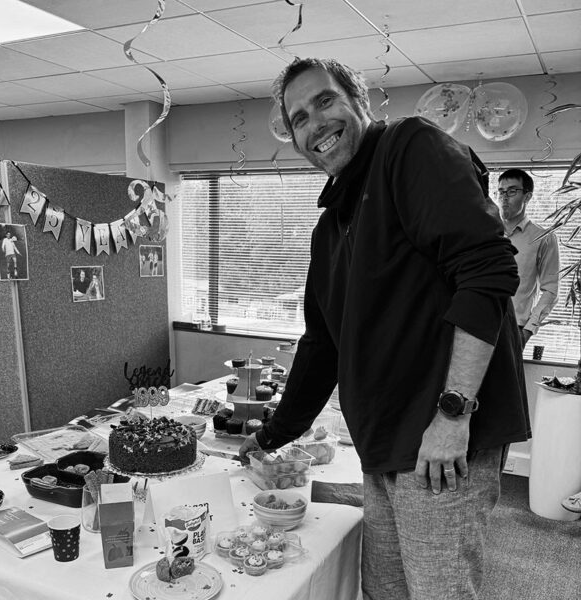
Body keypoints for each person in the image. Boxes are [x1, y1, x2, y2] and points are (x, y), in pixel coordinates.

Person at [238, 58, 530, 600]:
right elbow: (322, 345)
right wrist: (273, 432)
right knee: (385, 592)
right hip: (382, 445)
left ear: (358, 100)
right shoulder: (331, 228)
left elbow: (488, 272)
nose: (314, 124)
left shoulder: (409, 149)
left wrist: (452, 413)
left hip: (438, 444)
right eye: (298, 118)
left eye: (324, 101)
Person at [497, 168, 560, 349]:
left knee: (507, 378)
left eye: (512, 191)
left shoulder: (543, 237)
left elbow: (551, 289)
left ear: (527, 196)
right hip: (476, 322)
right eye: (501, 191)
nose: (504, 197)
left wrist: (528, 330)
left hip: (513, 327)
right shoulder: (485, 232)